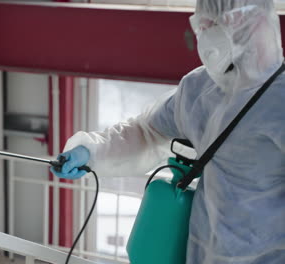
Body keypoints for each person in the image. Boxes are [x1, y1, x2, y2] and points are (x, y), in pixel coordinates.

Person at [50, 0, 285, 263]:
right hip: (201, 253)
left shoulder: (280, 100)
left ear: (256, 23)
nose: (205, 36)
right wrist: (92, 151)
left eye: (215, 24)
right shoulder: (201, 89)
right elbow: (147, 132)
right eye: (201, 25)